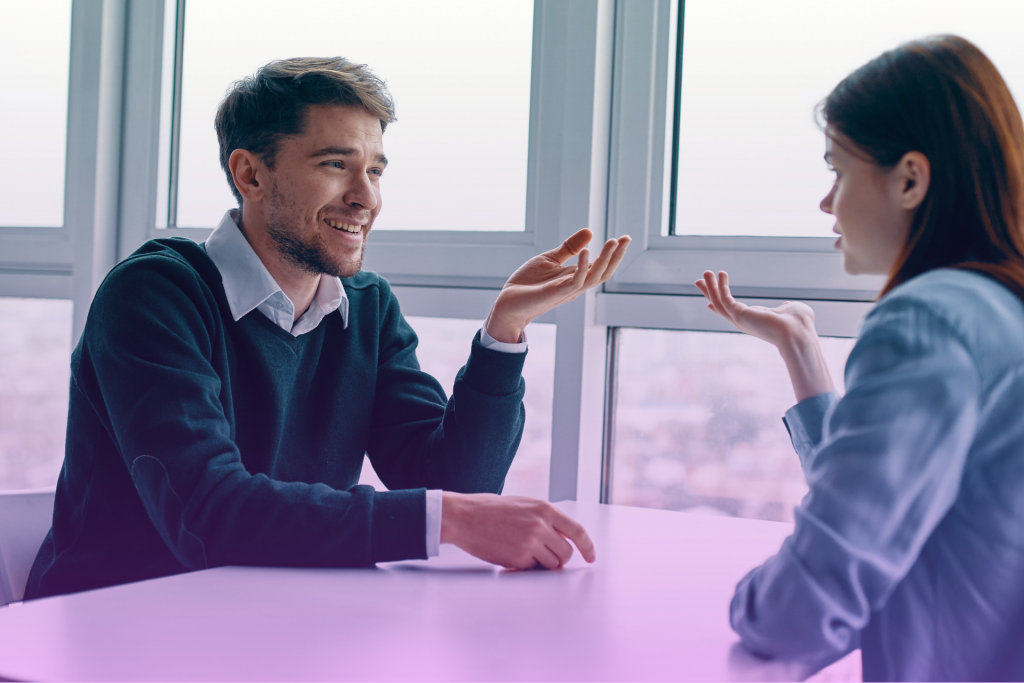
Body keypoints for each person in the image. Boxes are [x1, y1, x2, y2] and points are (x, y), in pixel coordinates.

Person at [26, 57, 630, 599]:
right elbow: (206, 513)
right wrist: (445, 520)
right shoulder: (155, 294)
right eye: (336, 164)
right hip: (111, 632)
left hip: (272, 621)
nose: (365, 197)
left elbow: (454, 481)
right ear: (251, 175)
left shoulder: (364, 307)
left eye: (375, 170)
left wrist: (504, 332)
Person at [696, 36, 1024, 681]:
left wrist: (744, 603)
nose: (827, 202)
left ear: (909, 178)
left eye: (837, 171)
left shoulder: (927, 318)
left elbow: (804, 606)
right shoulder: (1001, 309)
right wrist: (799, 348)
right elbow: (908, 512)